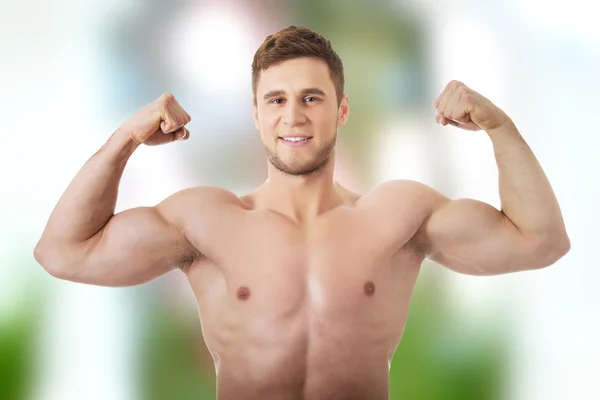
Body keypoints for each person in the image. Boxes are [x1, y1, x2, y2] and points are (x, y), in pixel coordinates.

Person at [34, 25, 570, 400]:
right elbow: (63, 252)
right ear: (256, 113)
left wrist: (500, 127)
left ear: (341, 110)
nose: (294, 115)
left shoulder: (397, 215)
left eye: (312, 98)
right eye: (276, 99)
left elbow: (540, 241)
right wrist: (124, 139)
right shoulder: (206, 222)